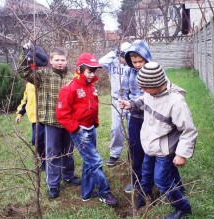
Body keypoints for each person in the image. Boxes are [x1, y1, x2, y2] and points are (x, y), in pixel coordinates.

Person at [119, 62, 198, 219]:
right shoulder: (151, 93)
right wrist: (131, 104)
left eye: (145, 87)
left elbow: (189, 131)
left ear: (157, 84)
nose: (142, 90)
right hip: (150, 145)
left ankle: (182, 208)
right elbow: (143, 100)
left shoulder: (176, 102)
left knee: (161, 179)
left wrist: (182, 154)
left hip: (165, 149)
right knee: (146, 173)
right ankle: (145, 197)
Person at [55, 53, 119, 206]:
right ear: (79, 69)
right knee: (96, 162)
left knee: (89, 162)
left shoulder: (91, 87)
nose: (92, 74)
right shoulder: (70, 88)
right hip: (80, 131)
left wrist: (94, 123)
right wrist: (76, 129)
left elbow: (93, 106)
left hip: (91, 128)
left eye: (94, 71)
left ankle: (86, 193)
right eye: (89, 71)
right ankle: (104, 192)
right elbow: (61, 114)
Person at [18, 44, 81, 199]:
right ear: (50, 61)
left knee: (68, 151)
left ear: (67, 61)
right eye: (57, 59)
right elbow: (23, 72)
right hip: (51, 121)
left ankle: (68, 175)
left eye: (63, 59)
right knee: (52, 153)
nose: (60, 62)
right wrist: (27, 54)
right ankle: (53, 184)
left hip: (69, 122)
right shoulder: (42, 76)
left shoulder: (72, 77)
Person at [121, 40, 152, 193]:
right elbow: (124, 91)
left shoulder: (154, 70)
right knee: (135, 149)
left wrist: (135, 103)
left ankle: (151, 179)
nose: (138, 64)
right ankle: (136, 180)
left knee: (152, 149)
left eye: (140, 61)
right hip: (134, 117)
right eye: (134, 62)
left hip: (151, 117)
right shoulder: (128, 72)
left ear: (147, 58)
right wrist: (124, 104)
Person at [99, 42, 131, 166]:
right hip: (117, 100)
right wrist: (114, 53)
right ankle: (115, 153)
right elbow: (101, 62)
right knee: (116, 128)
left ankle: (132, 153)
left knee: (132, 128)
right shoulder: (112, 63)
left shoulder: (132, 64)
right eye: (124, 55)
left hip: (130, 100)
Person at [15, 82, 45, 171]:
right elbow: (25, 100)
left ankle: (50, 162)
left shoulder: (45, 80)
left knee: (44, 140)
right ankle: (44, 162)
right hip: (34, 119)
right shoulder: (29, 84)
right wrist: (19, 114)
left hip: (45, 118)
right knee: (37, 141)